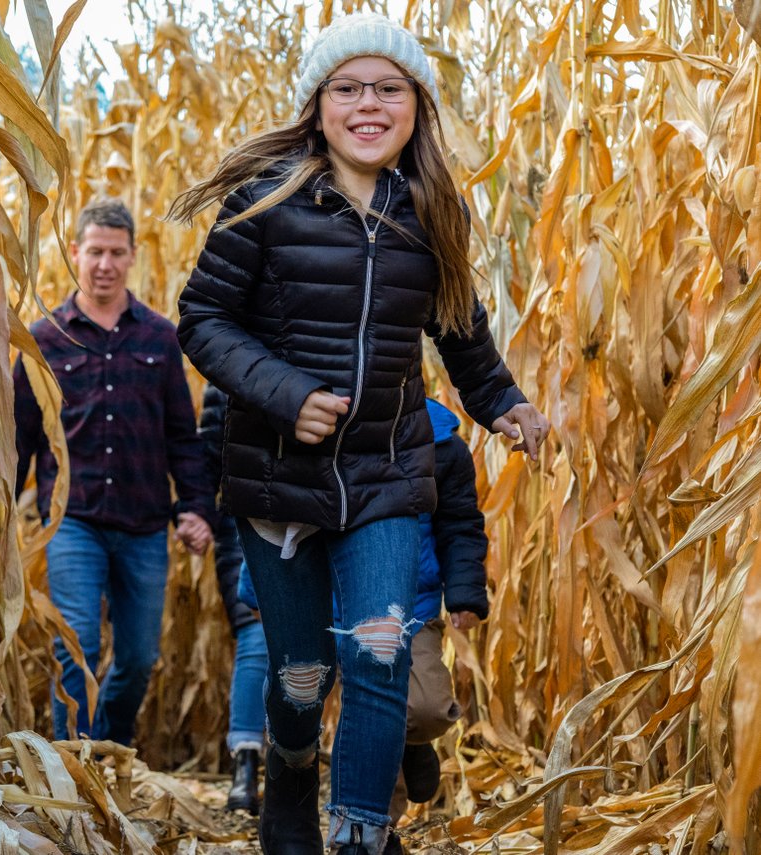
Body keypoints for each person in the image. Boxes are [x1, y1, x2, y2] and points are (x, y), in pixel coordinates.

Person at [171, 12, 550, 855]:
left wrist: (509, 407)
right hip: (277, 480)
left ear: (416, 104)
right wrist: (287, 393)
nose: (368, 104)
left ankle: (359, 834)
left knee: (379, 662)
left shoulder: (431, 212)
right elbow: (202, 319)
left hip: (386, 476)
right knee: (302, 678)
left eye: (389, 87)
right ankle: (291, 775)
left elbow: (462, 338)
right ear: (318, 103)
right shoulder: (264, 199)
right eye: (348, 88)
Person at [225, 397, 491, 855]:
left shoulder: (444, 446)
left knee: (423, 707)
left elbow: (460, 524)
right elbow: (278, 516)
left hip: (410, 605)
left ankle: (407, 747)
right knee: (321, 692)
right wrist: (258, 591)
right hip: (320, 602)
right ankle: (373, 829)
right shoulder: (319, 429)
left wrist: (465, 592)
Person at [13, 196, 216, 746]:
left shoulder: (159, 337)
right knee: (75, 643)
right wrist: (1, 511)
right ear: (75, 253)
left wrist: (195, 509)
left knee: (139, 656)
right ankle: (73, 775)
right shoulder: (44, 338)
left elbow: (182, 435)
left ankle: (111, 748)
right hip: (72, 520)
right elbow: (21, 438)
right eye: (95, 252)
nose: (105, 264)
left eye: (117, 253)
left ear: (132, 258)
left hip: (144, 525)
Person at [199, 383, 268, 814]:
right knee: (256, 635)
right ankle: (246, 766)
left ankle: (289, 764)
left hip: (320, 515)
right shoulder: (226, 367)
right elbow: (207, 459)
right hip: (244, 524)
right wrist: (197, 514)